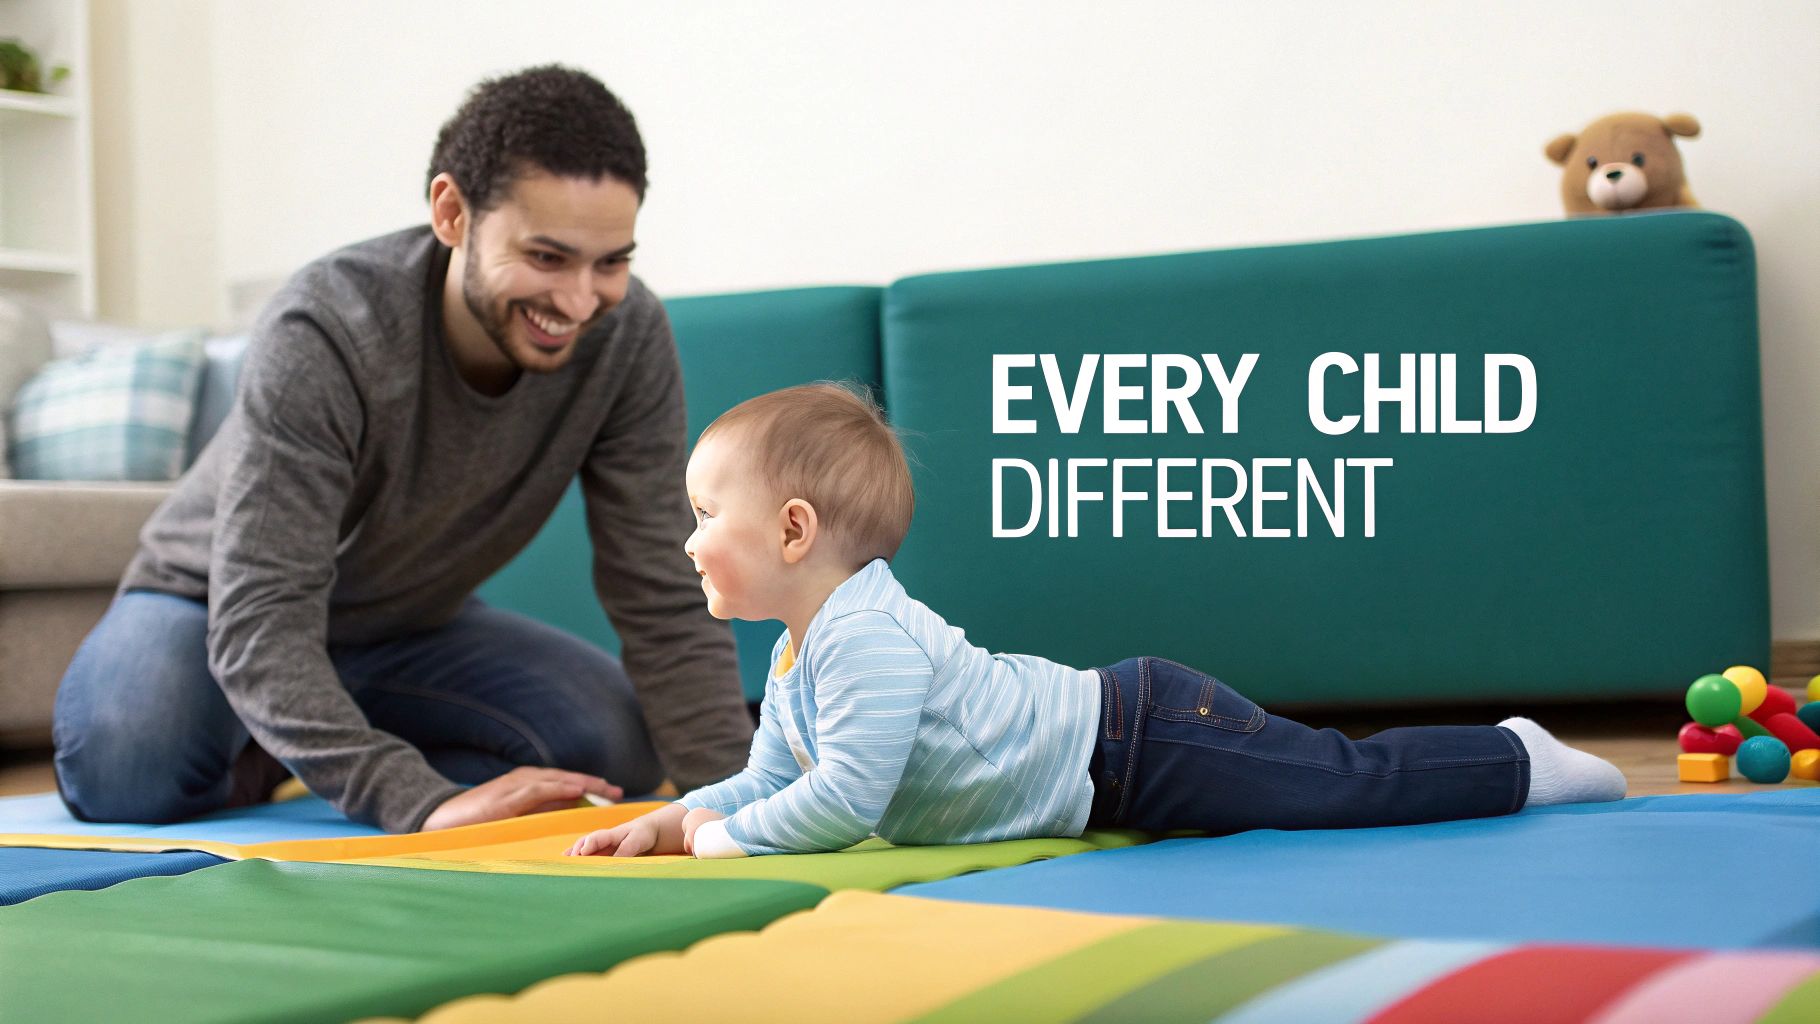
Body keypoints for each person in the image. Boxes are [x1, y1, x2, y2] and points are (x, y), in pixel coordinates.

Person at [53, 66, 754, 834]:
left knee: (612, 746)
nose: (581, 301)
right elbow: (260, 611)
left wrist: (734, 801)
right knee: (128, 767)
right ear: (452, 214)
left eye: (611, 262)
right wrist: (416, 800)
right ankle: (290, 738)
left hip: (405, 627)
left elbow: (657, 580)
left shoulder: (627, 337)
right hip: (212, 602)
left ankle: (303, 736)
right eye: (547, 258)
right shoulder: (328, 325)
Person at [565, 383, 1626, 859]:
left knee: (1341, 788)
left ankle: (1514, 758)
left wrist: (728, 842)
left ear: (793, 531)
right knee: (1321, 788)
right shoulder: (799, 651)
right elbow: (769, 777)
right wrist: (673, 819)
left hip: (1143, 736)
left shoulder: (862, 637)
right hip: (1113, 764)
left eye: (707, 514)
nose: (690, 539)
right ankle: (1508, 757)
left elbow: (844, 795)